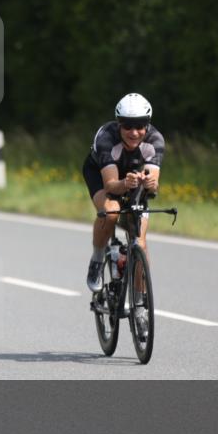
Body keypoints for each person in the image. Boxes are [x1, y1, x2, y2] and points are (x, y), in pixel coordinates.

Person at [83, 93, 165, 312]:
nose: (134, 132)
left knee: (140, 241)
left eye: (140, 126)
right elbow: (110, 185)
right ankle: (98, 260)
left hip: (133, 179)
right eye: (128, 126)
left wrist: (149, 183)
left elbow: (154, 184)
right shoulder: (106, 138)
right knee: (111, 212)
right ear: (119, 124)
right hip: (102, 175)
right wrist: (125, 182)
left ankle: (140, 305)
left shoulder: (155, 140)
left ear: (148, 124)